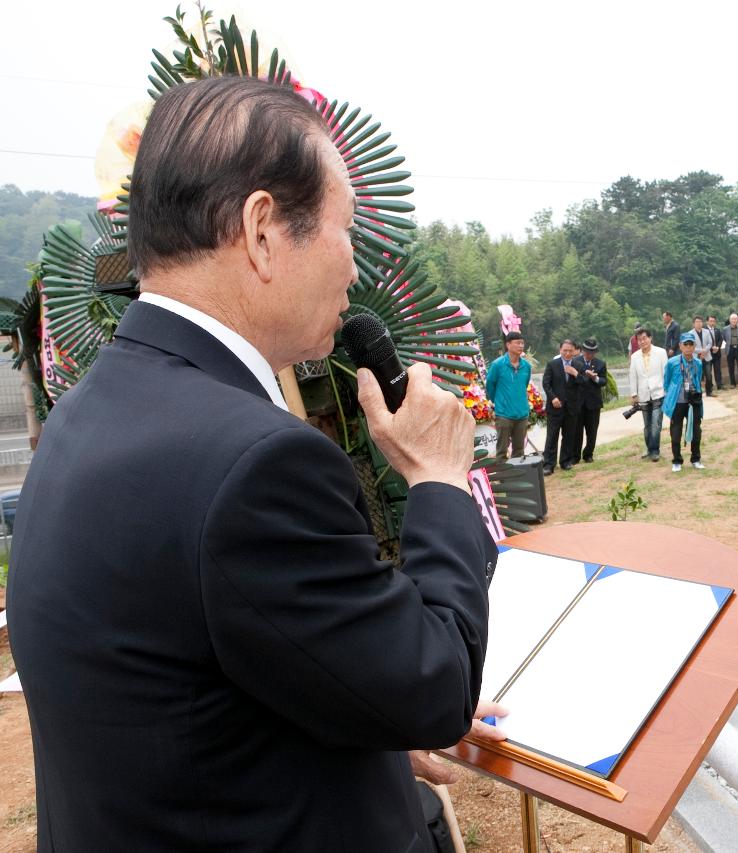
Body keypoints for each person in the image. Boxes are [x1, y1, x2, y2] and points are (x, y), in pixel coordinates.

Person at [7, 77, 502, 853]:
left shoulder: (88, 414)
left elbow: (175, 688)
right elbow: (433, 687)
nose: (352, 266)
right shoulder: (256, 462)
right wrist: (439, 479)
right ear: (263, 229)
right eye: (346, 230)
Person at [486, 331, 532, 461]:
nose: (521, 346)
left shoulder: (526, 366)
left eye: (522, 343)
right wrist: (499, 402)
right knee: (502, 450)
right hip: (504, 415)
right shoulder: (497, 365)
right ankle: (502, 478)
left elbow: (524, 385)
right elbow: (490, 386)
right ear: (508, 345)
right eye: (518, 343)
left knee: (519, 450)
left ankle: (517, 478)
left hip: (522, 414)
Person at [664, 332, 705, 472]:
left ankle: (696, 459)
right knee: (675, 432)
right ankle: (677, 460)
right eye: (685, 344)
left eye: (691, 344)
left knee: (696, 431)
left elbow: (698, 379)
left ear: (694, 346)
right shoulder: (672, 362)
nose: (688, 347)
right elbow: (667, 382)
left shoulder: (698, 363)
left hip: (694, 402)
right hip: (678, 402)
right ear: (680, 346)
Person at [541, 338, 581, 474]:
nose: (568, 353)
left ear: (574, 351)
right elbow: (546, 383)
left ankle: (566, 461)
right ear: (560, 350)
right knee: (552, 436)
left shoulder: (578, 364)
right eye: (565, 350)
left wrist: (575, 373)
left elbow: (584, 382)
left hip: (572, 407)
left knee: (569, 435)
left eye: (570, 351)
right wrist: (553, 398)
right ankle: (548, 464)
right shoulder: (552, 364)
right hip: (555, 407)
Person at [628, 328, 667, 461]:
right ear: (637, 342)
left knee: (656, 423)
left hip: (659, 392)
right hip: (643, 394)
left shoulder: (661, 353)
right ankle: (649, 448)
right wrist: (634, 394)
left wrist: (666, 391)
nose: (642, 341)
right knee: (647, 425)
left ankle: (655, 451)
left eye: (645, 338)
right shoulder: (634, 357)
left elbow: (665, 373)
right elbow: (633, 376)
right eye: (640, 340)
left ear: (650, 338)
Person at [571, 337, 609, 463]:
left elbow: (604, 381)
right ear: (582, 351)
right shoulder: (575, 362)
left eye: (592, 352)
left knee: (592, 430)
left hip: (593, 403)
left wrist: (595, 379)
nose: (589, 354)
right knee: (577, 431)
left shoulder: (600, 364)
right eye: (587, 352)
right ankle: (575, 456)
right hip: (578, 402)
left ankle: (588, 454)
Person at [690, 316, 715, 397]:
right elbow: (691, 346)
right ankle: (698, 392)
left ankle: (709, 392)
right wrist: (701, 351)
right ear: (693, 323)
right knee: (697, 375)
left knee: (708, 374)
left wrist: (705, 351)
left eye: (700, 321)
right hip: (696, 357)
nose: (699, 323)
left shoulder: (707, 331)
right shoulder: (690, 333)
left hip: (707, 356)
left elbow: (710, 343)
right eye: (697, 322)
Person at [725, 312, 738, 388]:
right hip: (730, 349)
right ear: (730, 320)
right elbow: (725, 338)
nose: (734, 320)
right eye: (732, 319)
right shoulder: (725, 329)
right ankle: (733, 383)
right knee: (731, 367)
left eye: (735, 319)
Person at [707, 314, 725, 392]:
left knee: (718, 370)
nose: (712, 323)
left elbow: (720, 340)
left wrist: (717, 347)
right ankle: (710, 386)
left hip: (717, 353)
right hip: (708, 353)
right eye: (710, 321)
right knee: (708, 371)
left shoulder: (717, 330)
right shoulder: (704, 331)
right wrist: (711, 348)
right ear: (707, 321)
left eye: (713, 321)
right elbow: (705, 342)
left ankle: (719, 385)